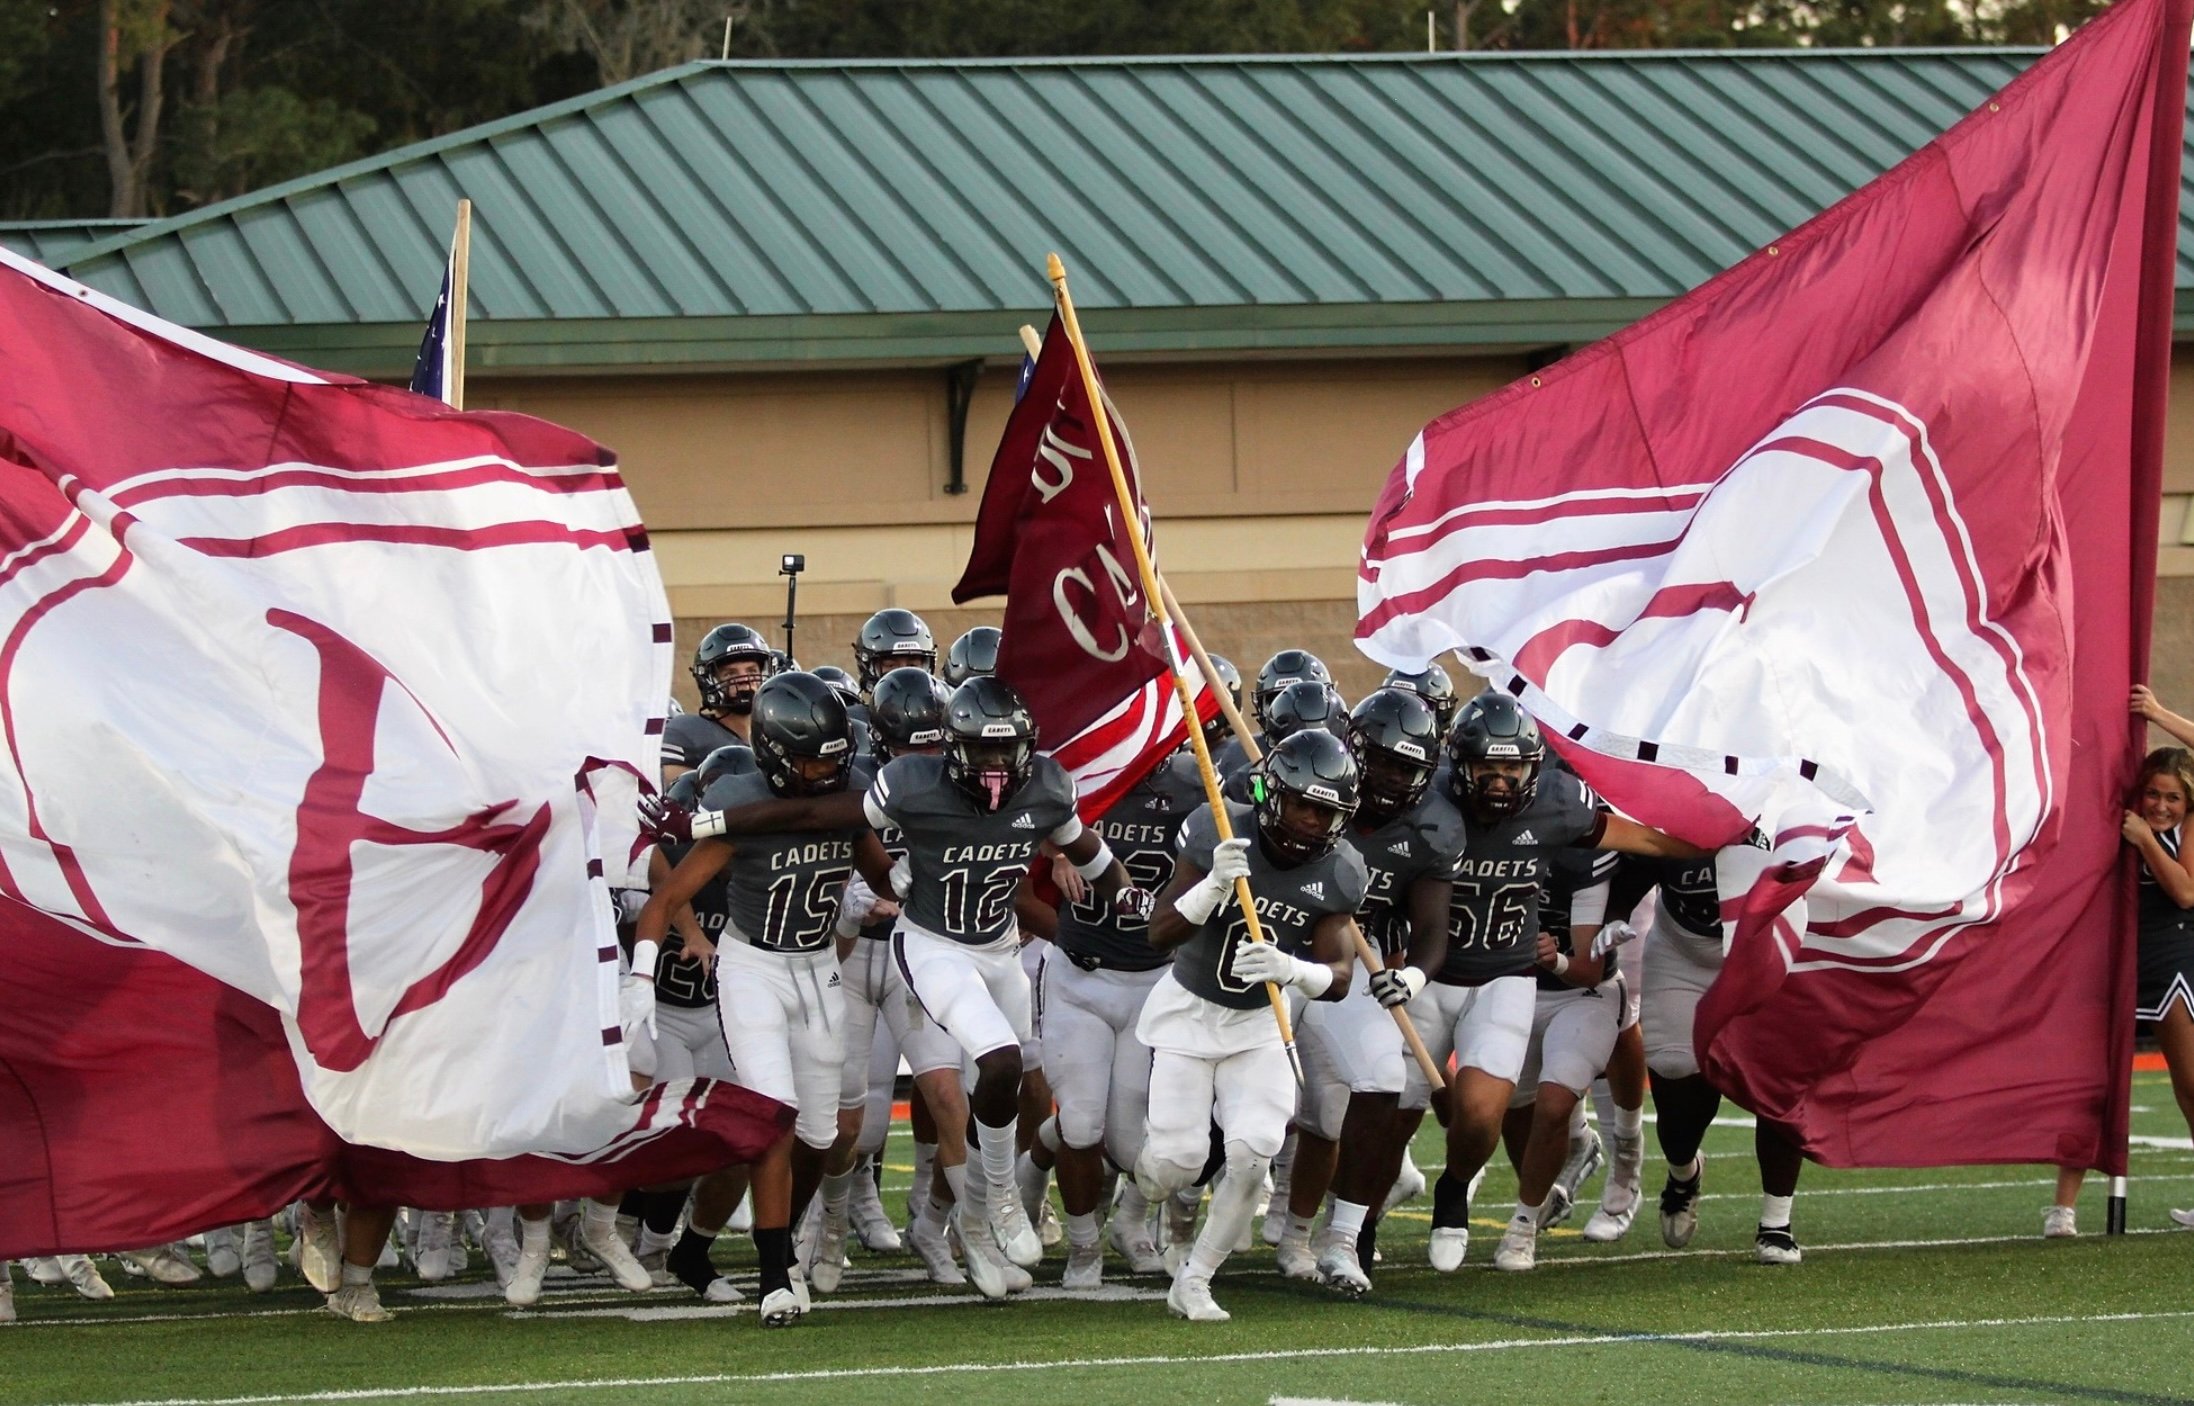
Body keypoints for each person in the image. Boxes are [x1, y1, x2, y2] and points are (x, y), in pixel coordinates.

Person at [645, 676, 1146, 1302]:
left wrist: (1124, 897)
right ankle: (815, 1241)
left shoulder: (1041, 787)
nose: (993, 767)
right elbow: (802, 815)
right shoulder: (898, 785)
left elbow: (1089, 858)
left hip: (980, 948)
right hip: (874, 952)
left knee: (967, 1091)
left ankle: (974, 1220)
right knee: (851, 1119)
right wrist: (702, 822)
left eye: (1003, 751)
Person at [1380, 691, 1711, 1273]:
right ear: (1460, 763)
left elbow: (1642, 840)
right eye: (1490, 766)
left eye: (1515, 768)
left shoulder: (1559, 809)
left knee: (1491, 1110)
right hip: (1427, 973)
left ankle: (1461, 1193)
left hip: (1511, 976)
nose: (1503, 781)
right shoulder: (1427, 802)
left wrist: (1714, 840)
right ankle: (1346, 1228)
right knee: (1392, 1109)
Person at [639, 672, 882, 1327]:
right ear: (776, 756)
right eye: (812, 757)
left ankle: (707, 1248)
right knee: (772, 1118)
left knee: (821, 1134)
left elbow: (877, 861)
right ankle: (776, 1274)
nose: (827, 768)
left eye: (836, 756)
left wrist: (908, 880)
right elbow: (667, 896)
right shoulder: (742, 799)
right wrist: (638, 980)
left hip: (817, 968)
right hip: (754, 969)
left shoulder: (847, 792)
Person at [1140, 728, 1368, 1321]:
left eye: (1330, 811)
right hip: (1189, 1014)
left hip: (1262, 1025)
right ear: (1272, 795)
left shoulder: (1341, 869)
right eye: (1306, 806)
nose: (1317, 822)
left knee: (1255, 1151)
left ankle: (1195, 1279)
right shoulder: (1218, 826)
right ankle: (1141, 1198)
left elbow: (1340, 977)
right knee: (1176, 1162)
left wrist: (1292, 968)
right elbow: (1160, 931)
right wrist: (1213, 885)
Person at [1306, 688, 1463, 1297]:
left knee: (1384, 1080)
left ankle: (1343, 1237)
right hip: (1269, 955)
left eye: (1410, 767)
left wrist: (1414, 978)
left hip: (1348, 966)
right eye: (1386, 762)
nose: (1396, 778)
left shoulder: (1430, 828)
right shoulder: (1298, 780)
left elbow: (1431, 931)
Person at [1040, 746, 1208, 1286]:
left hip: (1151, 981)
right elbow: (1015, 830)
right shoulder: (1082, 776)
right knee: (1083, 1122)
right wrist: (1058, 850)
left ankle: (1122, 1217)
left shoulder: (1193, 785)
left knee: (1130, 1142)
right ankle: (1084, 1246)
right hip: (1079, 975)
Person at [663, 623, 774, 782]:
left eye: (752, 671)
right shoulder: (688, 732)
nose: (744, 680)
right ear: (708, 681)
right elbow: (678, 796)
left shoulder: (776, 734)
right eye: (730, 674)